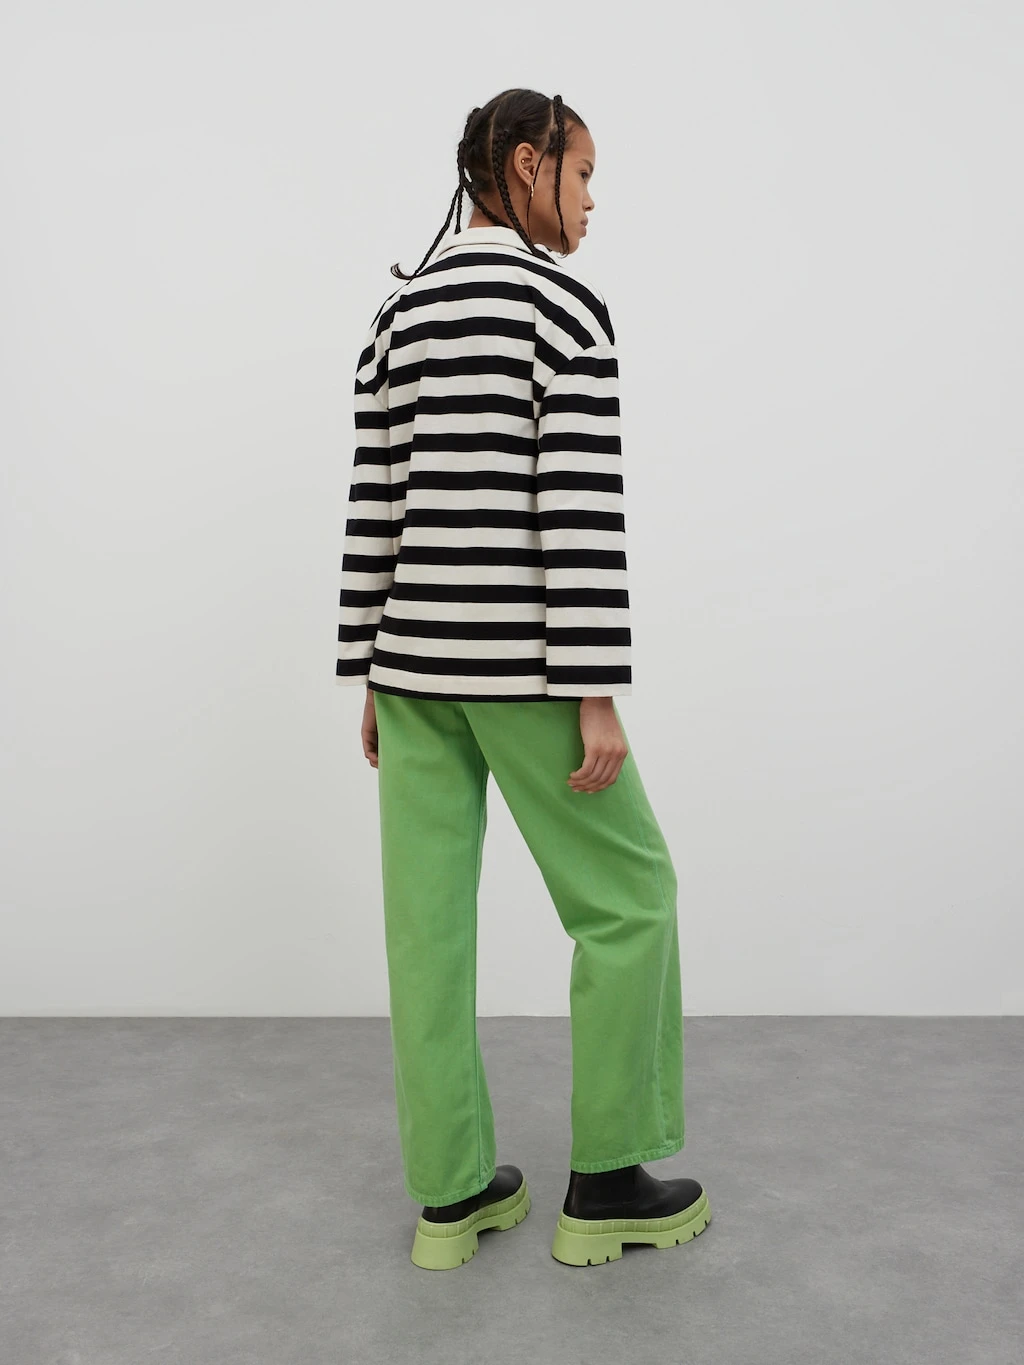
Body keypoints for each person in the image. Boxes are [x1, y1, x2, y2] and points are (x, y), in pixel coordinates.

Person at [335, 87, 710, 1270]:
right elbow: (575, 510)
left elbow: (375, 503)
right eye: (583, 173)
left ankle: (449, 1200)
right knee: (630, 899)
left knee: (426, 935)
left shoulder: (398, 312)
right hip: (527, 672)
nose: (592, 201)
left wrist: (368, 669)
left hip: (413, 674)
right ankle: (606, 1184)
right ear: (526, 161)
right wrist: (595, 689)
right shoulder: (560, 309)